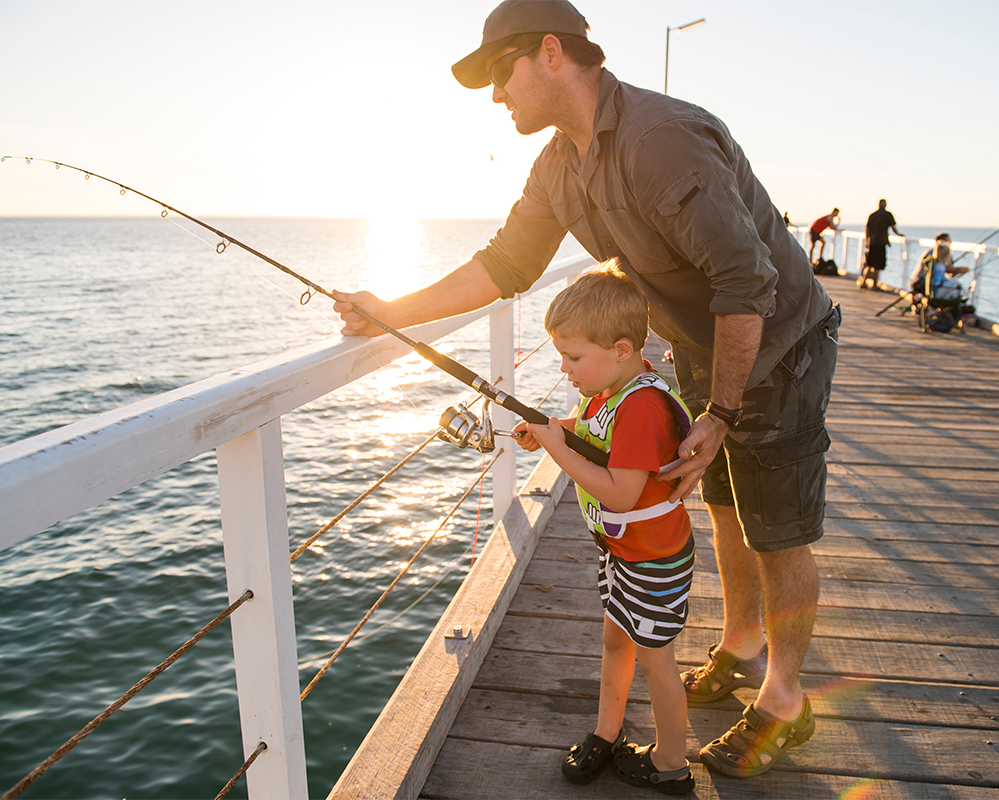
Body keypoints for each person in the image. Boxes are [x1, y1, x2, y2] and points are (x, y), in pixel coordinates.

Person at [332, 0, 838, 780]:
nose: (497, 97)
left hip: (778, 338)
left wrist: (722, 410)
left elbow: (748, 280)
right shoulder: (556, 167)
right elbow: (505, 265)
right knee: (725, 501)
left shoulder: (661, 140)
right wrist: (391, 312)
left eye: (501, 75)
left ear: (549, 54)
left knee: (778, 523)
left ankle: (784, 700)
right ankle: (741, 643)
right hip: (700, 339)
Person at [512, 263, 697, 793]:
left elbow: (620, 491)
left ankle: (671, 764)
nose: (565, 369)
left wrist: (554, 449)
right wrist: (555, 428)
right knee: (616, 640)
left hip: (653, 561)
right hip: (623, 553)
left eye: (573, 358)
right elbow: (593, 429)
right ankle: (606, 732)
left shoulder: (641, 407)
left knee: (658, 663)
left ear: (620, 349)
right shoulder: (610, 390)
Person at [860, 199, 901, 290]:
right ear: (885, 205)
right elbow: (893, 227)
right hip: (881, 242)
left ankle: (863, 283)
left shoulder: (872, 215)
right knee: (878, 265)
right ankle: (874, 285)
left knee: (869, 264)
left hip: (872, 242)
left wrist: (867, 241)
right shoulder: (887, 214)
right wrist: (899, 234)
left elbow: (867, 229)